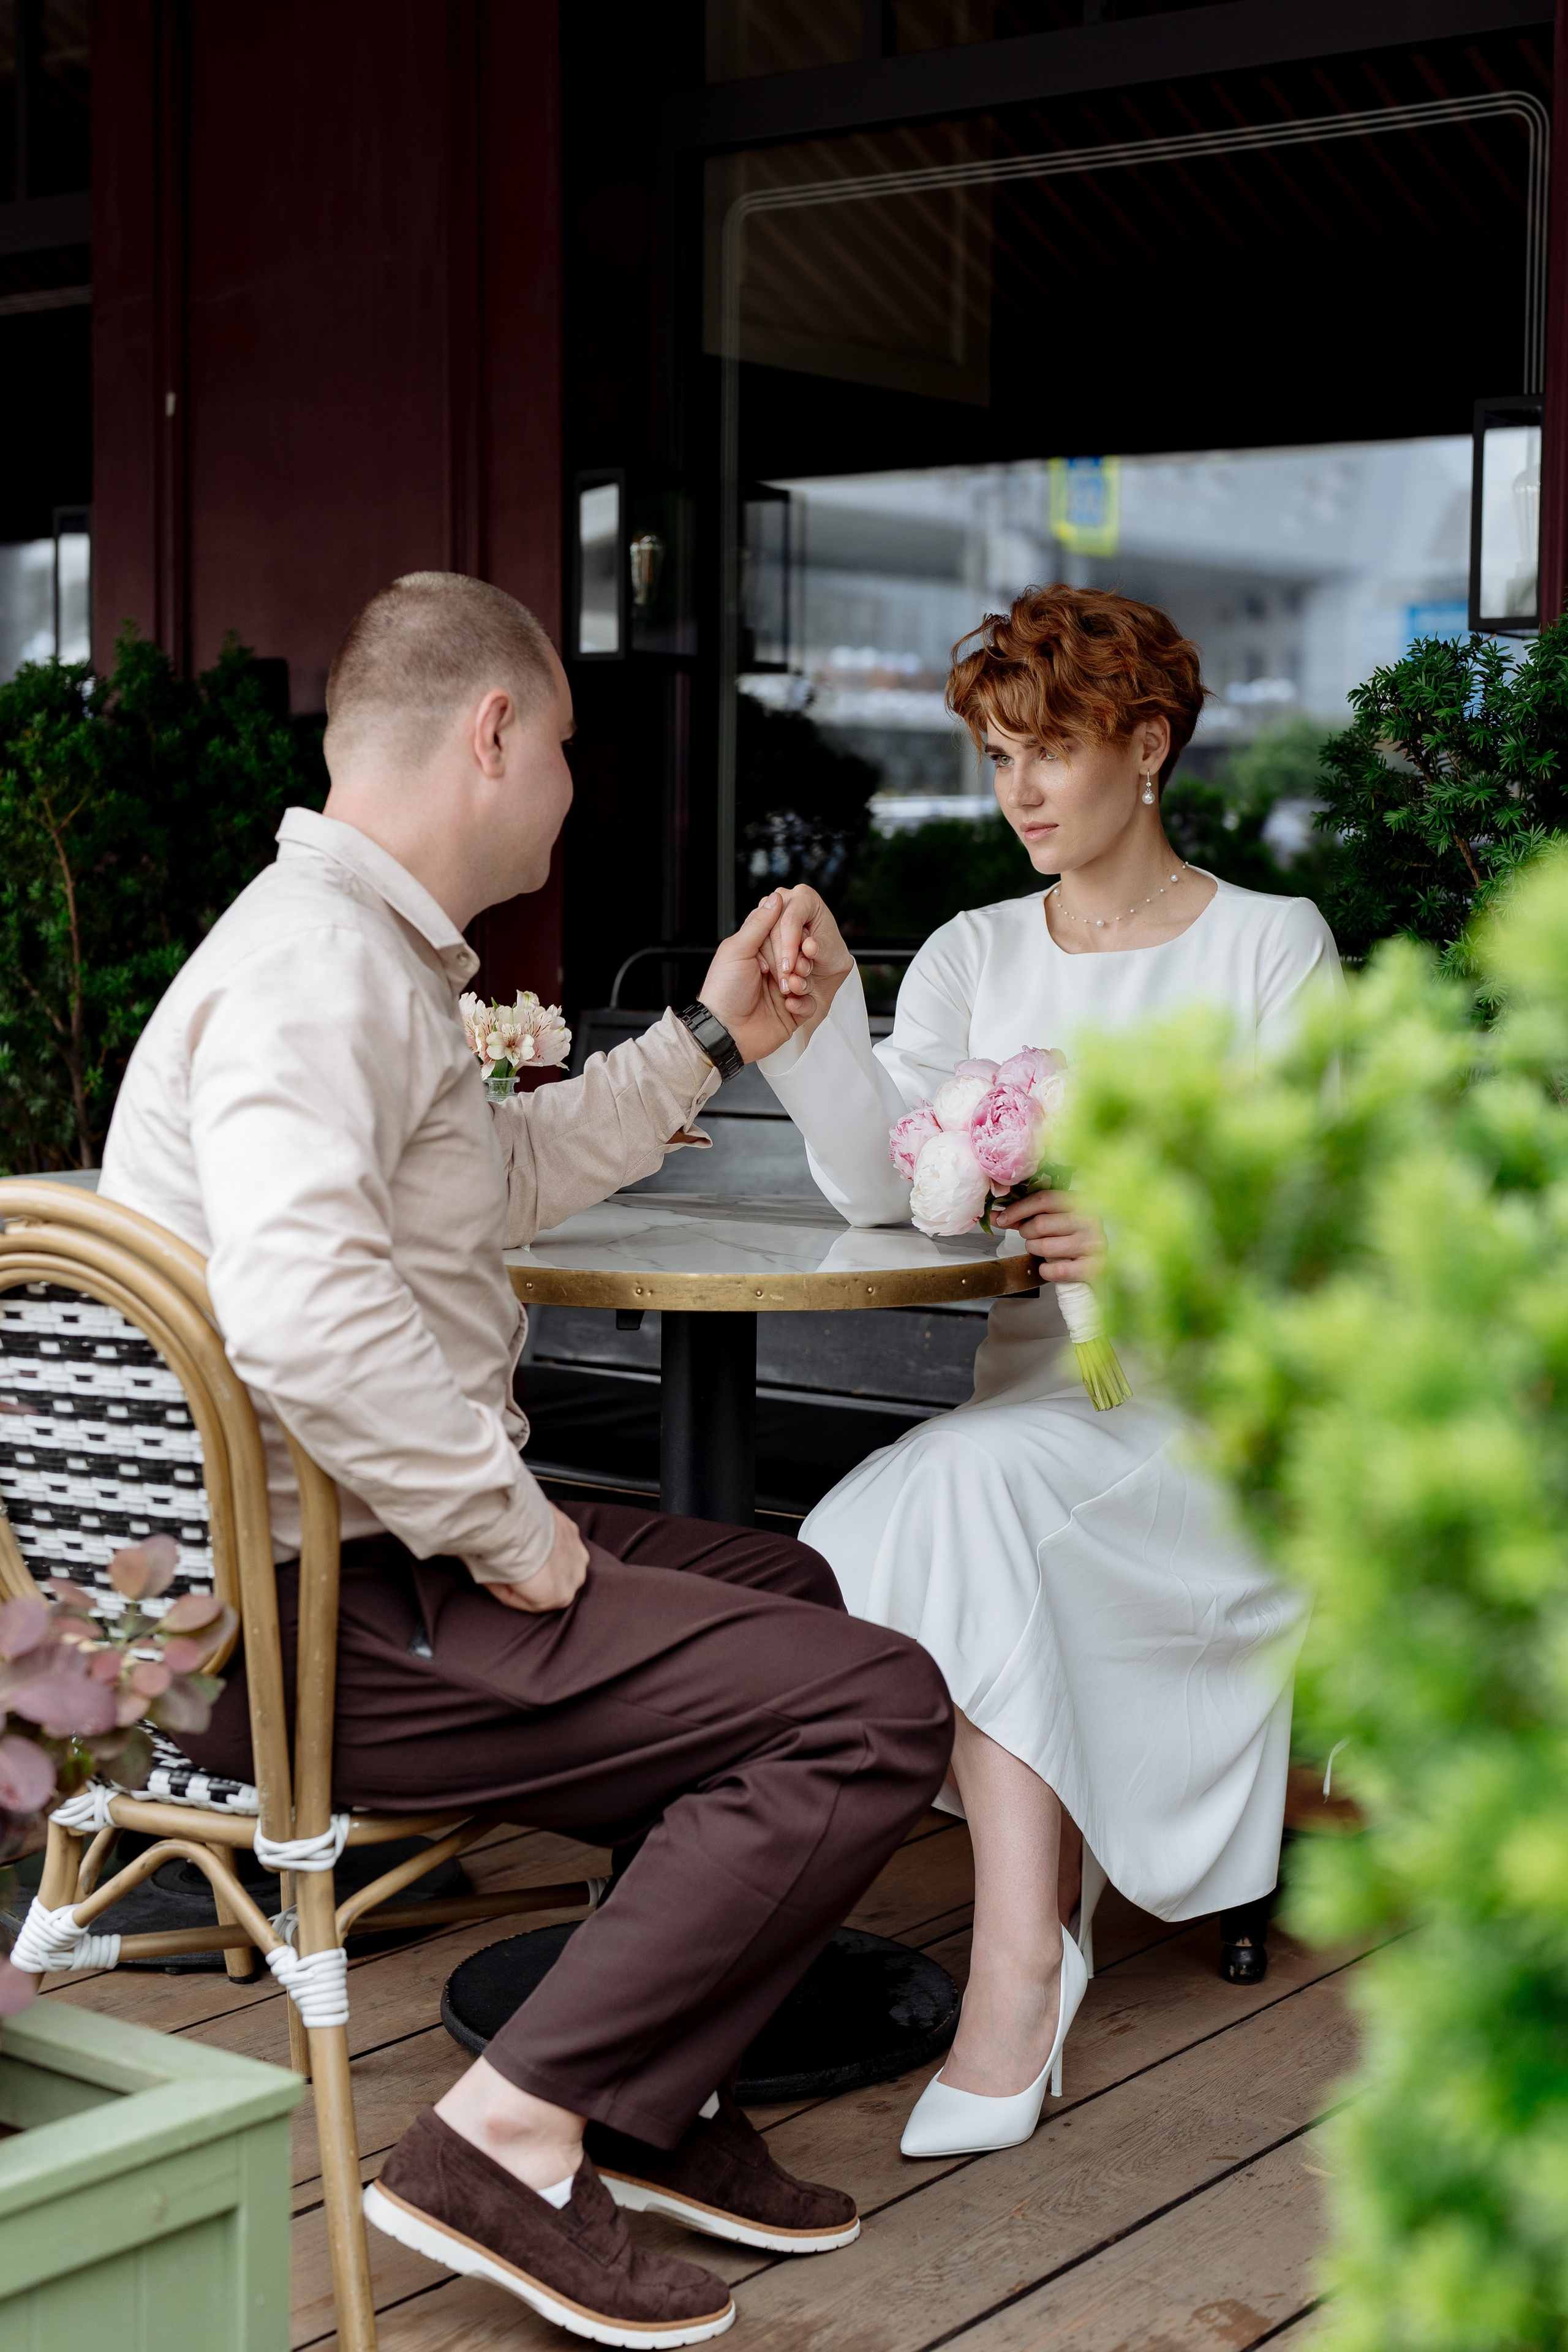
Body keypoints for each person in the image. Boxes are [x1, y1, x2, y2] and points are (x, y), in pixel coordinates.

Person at [100, 571, 951, 2347]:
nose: (574, 785)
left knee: (782, 1586)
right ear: (492, 733)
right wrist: (511, 1533)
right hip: (299, 1622)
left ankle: (640, 2101)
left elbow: (502, 1179)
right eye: (565, 746)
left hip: (350, 1564)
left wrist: (714, 1038)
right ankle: (502, 2136)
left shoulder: (361, 958)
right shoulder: (310, 973)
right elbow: (304, 1317)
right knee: (869, 1708)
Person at [753, 585, 1338, 2162]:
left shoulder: (1273, 950)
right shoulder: (966, 952)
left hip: (1213, 1432)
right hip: (1032, 1420)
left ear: (1145, 749)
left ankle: (1014, 1975)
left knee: (944, 1496)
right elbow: (884, 1188)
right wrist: (813, 1036)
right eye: (995, 751)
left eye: (1049, 750)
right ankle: (1026, 1942)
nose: (1013, 789)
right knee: (927, 1501)